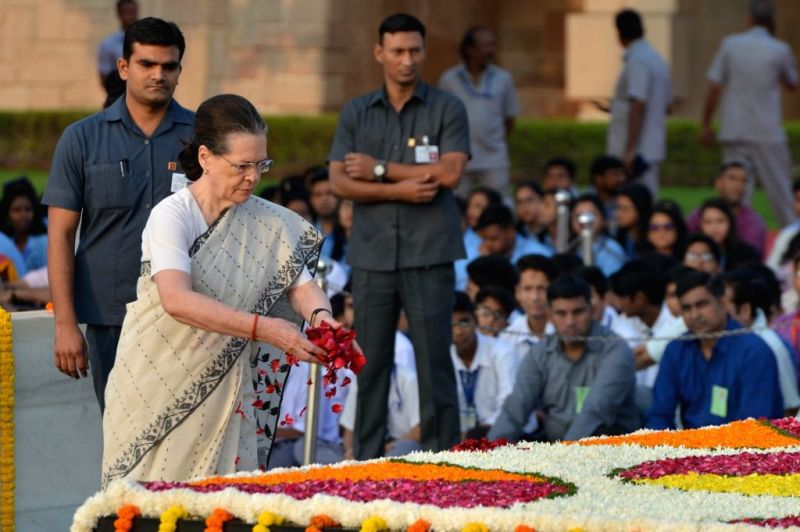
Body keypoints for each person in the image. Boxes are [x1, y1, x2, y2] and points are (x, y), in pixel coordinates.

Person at [101, 93, 347, 486]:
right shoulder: (172, 215)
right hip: (156, 382)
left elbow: (300, 285)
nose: (253, 177)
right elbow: (176, 300)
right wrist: (264, 329)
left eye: (261, 165)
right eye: (242, 166)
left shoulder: (268, 221)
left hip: (229, 390)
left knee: (223, 505)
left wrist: (322, 319)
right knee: (145, 509)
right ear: (205, 158)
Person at [328, 13, 470, 459]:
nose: (407, 60)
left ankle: (443, 460)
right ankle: (366, 459)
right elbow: (338, 181)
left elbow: (450, 173)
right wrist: (406, 189)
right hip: (372, 254)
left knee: (434, 364)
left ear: (424, 53)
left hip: (430, 253)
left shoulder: (446, 107)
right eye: (397, 51)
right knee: (369, 364)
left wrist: (380, 169)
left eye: (414, 51)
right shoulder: (356, 111)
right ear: (379, 53)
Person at [43, 17, 195, 411]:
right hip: (111, 315)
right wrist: (64, 325)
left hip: (190, 316)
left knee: (184, 445)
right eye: (147, 64)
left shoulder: (202, 138)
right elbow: (60, 235)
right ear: (124, 67)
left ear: (179, 70)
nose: (158, 75)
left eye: (169, 66)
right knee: (119, 439)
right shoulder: (82, 138)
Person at [489, 275, 640, 442]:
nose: (570, 322)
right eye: (561, 313)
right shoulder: (539, 353)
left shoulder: (616, 350)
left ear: (592, 310)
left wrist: (560, 461)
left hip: (609, 449)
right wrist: (489, 454)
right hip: (556, 448)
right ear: (549, 315)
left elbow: (596, 411)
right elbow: (515, 409)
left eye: (578, 312)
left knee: (599, 430)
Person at [700, 0, 798, 226]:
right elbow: (792, 84)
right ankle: (794, 242)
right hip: (767, 132)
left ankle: (736, 241)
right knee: (782, 193)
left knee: (735, 193)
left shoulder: (730, 45)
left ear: (749, 19)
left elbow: (714, 89)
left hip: (735, 128)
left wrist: (705, 124)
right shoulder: (780, 49)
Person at [646, 271, 783, 429]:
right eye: (687, 308)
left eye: (702, 304)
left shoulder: (753, 351)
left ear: (723, 303)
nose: (695, 315)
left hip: (744, 448)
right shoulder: (676, 350)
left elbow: (756, 426)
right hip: (690, 449)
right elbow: (659, 415)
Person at [439, 27, 519, 200]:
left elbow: (510, 119)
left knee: (498, 203)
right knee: (456, 204)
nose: (490, 50)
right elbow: (442, 117)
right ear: (470, 49)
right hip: (459, 156)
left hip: (493, 157)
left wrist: (492, 137)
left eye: (492, 45)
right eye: (485, 46)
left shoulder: (503, 78)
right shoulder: (449, 79)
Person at [603, 9, 671, 198]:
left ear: (619, 33)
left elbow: (638, 103)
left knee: (635, 200)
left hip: (638, 148)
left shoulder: (638, 60)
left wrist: (630, 149)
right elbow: (667, 106)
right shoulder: (656, 59)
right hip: (651, 145)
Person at [726, 277, 800, 415]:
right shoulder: (724, 343)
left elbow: (791, 407)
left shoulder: (769, 344)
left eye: (724, 309)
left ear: (745, 310)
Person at [450, 292, 515, 439]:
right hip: (461, 437)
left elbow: (509, 406)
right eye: (451, 325)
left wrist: (475, 436)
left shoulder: (502, 352)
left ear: (475, 320)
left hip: (502, 432)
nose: (458, 332)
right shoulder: (443, 357)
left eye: (464, 322)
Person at [686, 161, 767, 255]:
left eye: (743, 181)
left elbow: (748, 256)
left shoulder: (753, 222)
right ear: (718, 183)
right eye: (732, 179)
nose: (738, 185)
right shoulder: (699, 215)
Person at [500, 254, 558, 366]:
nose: (534, 297)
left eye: (541, 289)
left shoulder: (567, 332)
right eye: (527, 289)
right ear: (517, 293)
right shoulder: (507, 338)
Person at [570, 194, 626, 276]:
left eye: (590, 215)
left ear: (603, 219)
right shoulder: (572, 247)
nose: (584, 221)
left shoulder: (611, 248)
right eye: (578, 216)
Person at [697, 198, 760, 271]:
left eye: (720, 221)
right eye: (708, 222)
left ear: (730, 223)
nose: (714, 227)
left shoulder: (746, 254)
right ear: (701, 225)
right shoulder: (693, 252)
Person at [97, 0, 139, 108]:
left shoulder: (145, 42)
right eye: (127, 11)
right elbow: (104, 76)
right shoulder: (109, 44)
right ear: (119, 13)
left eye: (133, 11)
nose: (130, 15)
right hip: (117, 98)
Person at [476, 205, 553, 262]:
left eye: (494, 238)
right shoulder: (486, 254)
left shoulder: (536, 253)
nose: (488, 244)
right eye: (484, 239)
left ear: (511, 232)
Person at [0, 177, 45, 272]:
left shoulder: (43, 243)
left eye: (28, 209)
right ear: (7, 214)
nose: (23, 215)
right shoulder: (4, 243)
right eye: (17, 210)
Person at [614, 182, 652, 257]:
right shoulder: (622, 237)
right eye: (617, 207)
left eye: (625, 209)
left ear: (640, 209)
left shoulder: (652, 238)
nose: (618, 214)